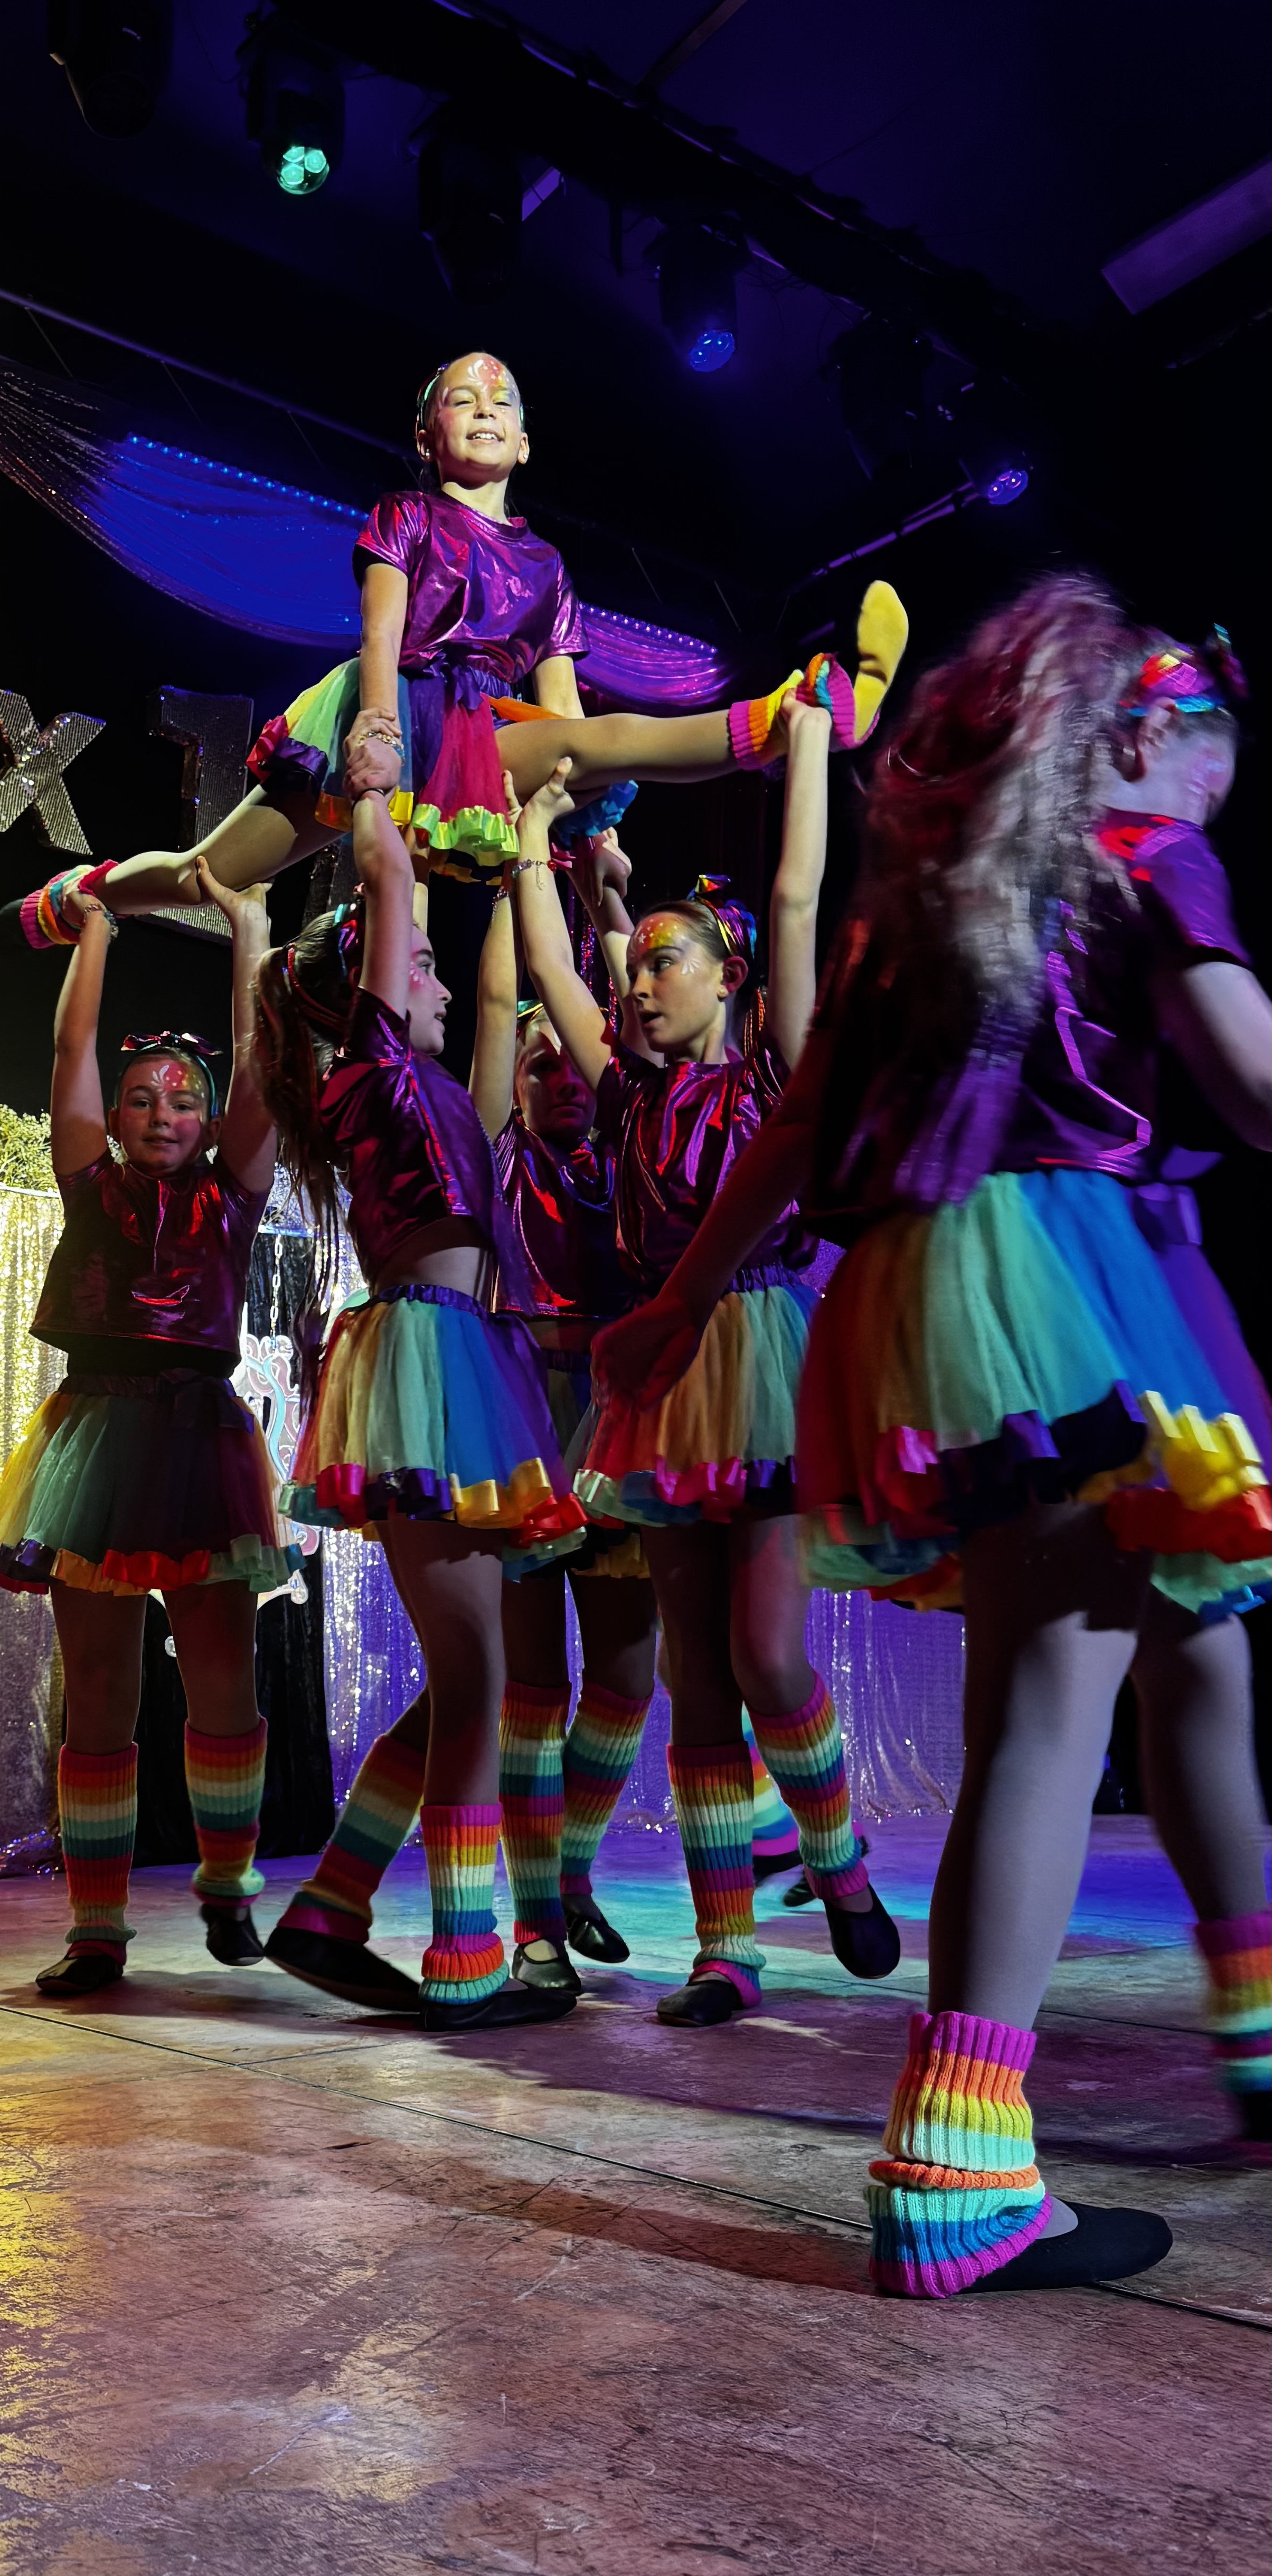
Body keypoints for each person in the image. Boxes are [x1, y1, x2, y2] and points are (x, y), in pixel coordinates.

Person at [596, 584, 1271, 2292]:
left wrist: (678, 1300)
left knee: (1197, 1657)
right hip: (1059, 1286)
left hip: (928, 1287)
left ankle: (1257, 2033)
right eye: (1211, 755)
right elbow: (1251, 1080)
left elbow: (792, 1134)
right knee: (1048, 1709)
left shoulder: (912, 911)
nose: (1214, 790)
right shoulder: (1139, 851)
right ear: (1142, 732)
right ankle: (958, 2166)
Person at [6, 354, 908, 937]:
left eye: (501, 401)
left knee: (598, 737)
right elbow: (382, 629)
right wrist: (375, 726)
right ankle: (82, 894)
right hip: (396, 707)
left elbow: (565, 713)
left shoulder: (547, 566)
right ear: (424, 435)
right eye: (460, 399)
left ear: (525, 443)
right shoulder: (407, 514)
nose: (483, 409)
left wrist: (592, 824)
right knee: (207, 875)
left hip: (489, 733)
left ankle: (796, 716)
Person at [513, 714, 899, 2025]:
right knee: (696, 1680)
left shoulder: (775, 1071)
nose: (637, 985)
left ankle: (836, 1861)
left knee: (765, 1652)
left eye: (662, 963)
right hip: (668, 1380)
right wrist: (527, 839)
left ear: (727, 977)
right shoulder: (625, 1093)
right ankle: (723, 1949)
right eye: (634, 969)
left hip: (767, 1357)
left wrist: (807, 741)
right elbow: (553, 966)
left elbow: (794, 897)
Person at [252, 787, 587, 2031]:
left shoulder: (439, 1094)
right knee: (475, 1679)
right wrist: (379, 781)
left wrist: (520, 870)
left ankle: (334, 1906)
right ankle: (462, 1957)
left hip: (467, 1363)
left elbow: (496, 1001)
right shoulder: (371, 1069)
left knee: (468, 1682)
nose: (436, 981)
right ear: (369, 989)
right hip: (424, 1368)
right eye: (417, 965)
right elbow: (389, 885)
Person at [0, 864, 295, 1996]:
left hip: (200, 1441)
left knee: (223, 1679)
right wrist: (93, 926)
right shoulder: (87, 1182)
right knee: (99, 1688)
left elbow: (258, 1059)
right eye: (142, 1097)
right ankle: (95, 1928)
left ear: (210, 1120)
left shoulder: (233, 1193)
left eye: (182, 1100)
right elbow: (71, 1051)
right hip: (96, 1435)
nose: (160, 1113)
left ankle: (228, 1884)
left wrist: (248, 928)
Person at [469, 866, 658, 1990]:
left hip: (620, 1411)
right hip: (527, 1415)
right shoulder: (493, 1151)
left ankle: (569, 1870)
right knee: (534, 1689)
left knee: (627, 1676)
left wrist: (603, 908)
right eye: (538, 1065)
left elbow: (634, 1029)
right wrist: (512, 870)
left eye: (570, 1064)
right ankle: (536, 1916)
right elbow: (502, 1004)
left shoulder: (635, 1137)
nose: (560, 1081)